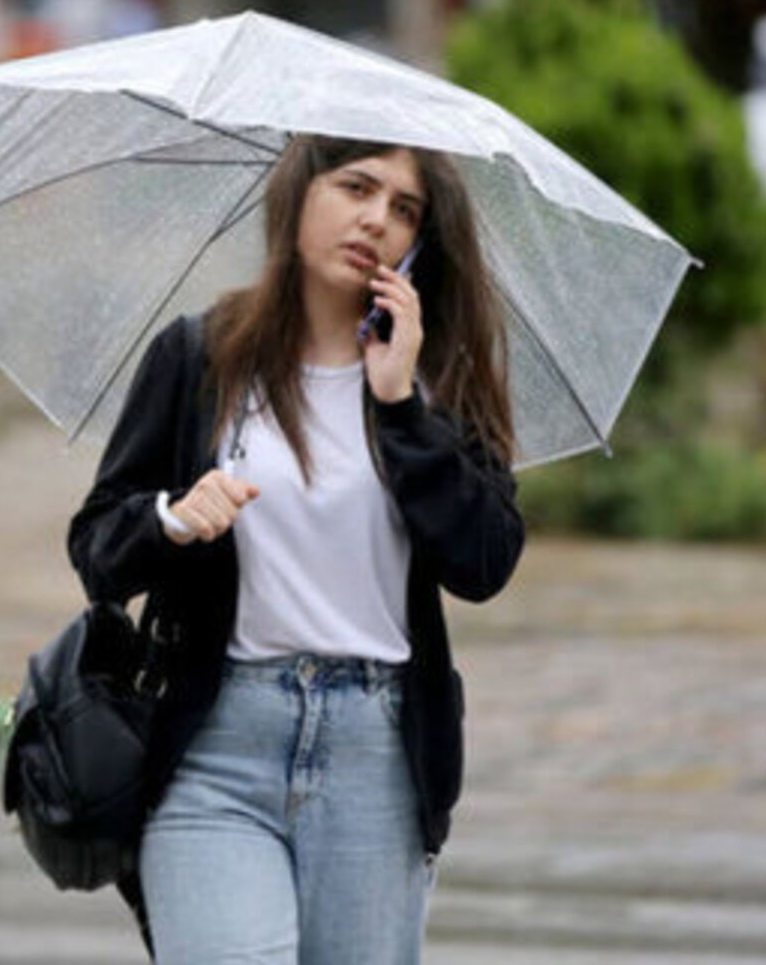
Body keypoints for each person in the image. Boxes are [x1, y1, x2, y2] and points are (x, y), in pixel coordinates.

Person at [67, 134, 525, 963]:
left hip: (377, 750)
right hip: (216, 741)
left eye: (405, 209)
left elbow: (485, 563)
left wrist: (400, 410)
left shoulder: (436, 377)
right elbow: (98, 548)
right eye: (357, 186)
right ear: (300, 194)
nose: (376, 219)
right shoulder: (201, 355)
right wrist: (172, 517)